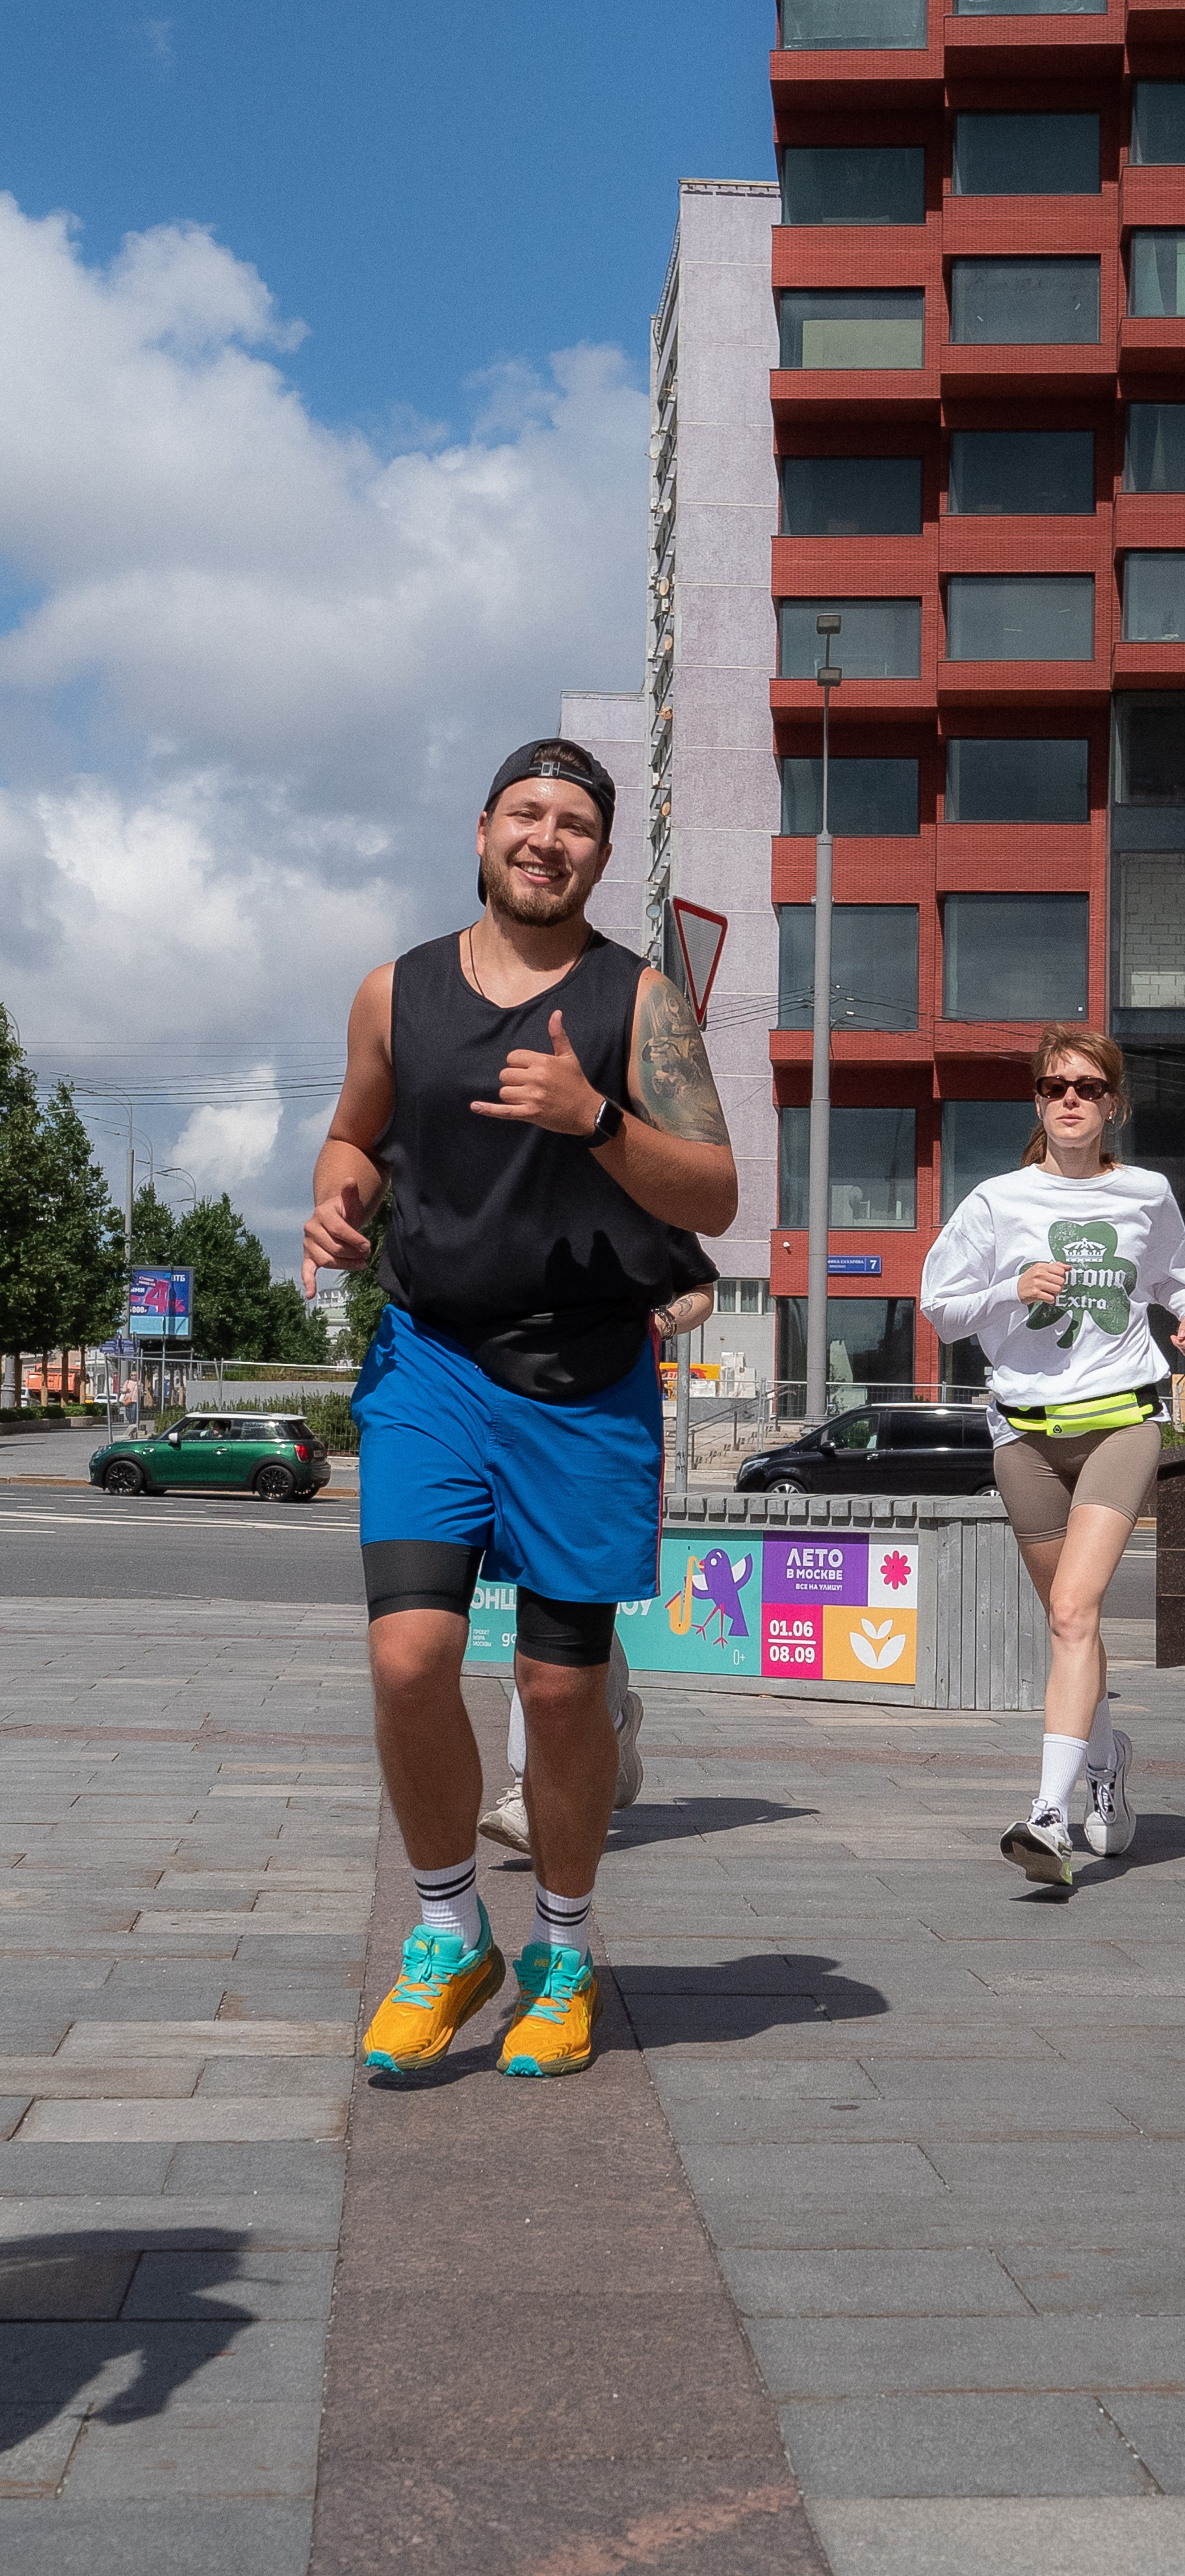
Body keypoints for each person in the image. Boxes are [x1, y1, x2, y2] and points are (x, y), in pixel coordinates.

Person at [303, 736, 735, 2074]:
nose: (549, 839)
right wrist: (341, 1199)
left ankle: (560, 1945)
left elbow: (713, 1195)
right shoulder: (397, 990)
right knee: (409, 1659)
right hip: (431, 1357)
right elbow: (353, 1132)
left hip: (583, 1377)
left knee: (559, 1692)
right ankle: (446, 1928)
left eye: (577, 826)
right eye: (527, 814)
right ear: (483, 831)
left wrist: (598, 1118)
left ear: (601, 858)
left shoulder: (640, 1000)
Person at [920, 1025, 1185, 1894]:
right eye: (1055, 1087)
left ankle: (1048, 1817)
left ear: (1112, 1102)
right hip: (1024, 1435)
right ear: (1039, 1103)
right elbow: (939, 1308)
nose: (1071, 1099)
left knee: (1076, 1609)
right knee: (1069, 1625)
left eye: (1087, 1086)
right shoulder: (996, 1202)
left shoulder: (1147, 1193)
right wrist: (1013, 1287)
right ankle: (1108, 1757)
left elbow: (1174, 1276)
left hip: (1123, 1418)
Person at [479, 1264, 716, 1859]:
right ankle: (590, 1745)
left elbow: (701, 1292)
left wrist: (658, 1321)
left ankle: (533, 1783)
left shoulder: (640, 1189)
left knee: (576, 1602)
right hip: (518, 1413)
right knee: (554, 1608)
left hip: (606, 1421)